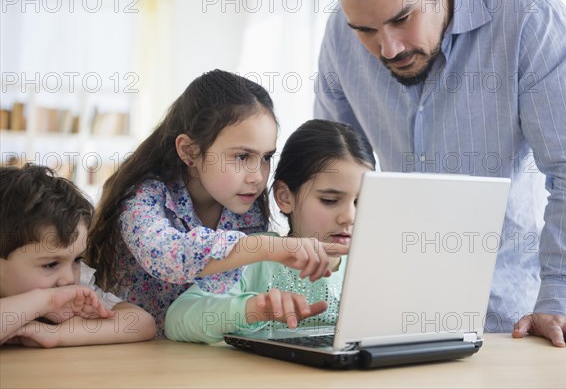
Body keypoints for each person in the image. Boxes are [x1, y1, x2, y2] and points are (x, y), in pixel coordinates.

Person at [314, 0, 566, 349]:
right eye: (366, 30)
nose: (389, 49)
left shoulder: (528, 18)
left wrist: (561, 298)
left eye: (401, 19)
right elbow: (331, 171)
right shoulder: (340, 34)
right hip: (382, 318)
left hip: (507, 322)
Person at [87, 70, 348, 337]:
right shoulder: (144, 198)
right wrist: (270, 246)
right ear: (190, 151)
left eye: (266, 157)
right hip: (131, 347)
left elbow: (223, 295)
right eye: (242, 156)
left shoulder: (246, 210)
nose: (257, 176)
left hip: (197, 351)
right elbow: (168, 257)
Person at [164, 119, 375, 343]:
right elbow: (177, 319)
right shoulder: (259, 257)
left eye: (362, 201)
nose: (349, 217)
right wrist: (253, 308)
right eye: (330, 200)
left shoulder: (372, 267)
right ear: (285, 197)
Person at [0, 164, 156, 347]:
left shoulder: (74, 285)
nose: (69, 278)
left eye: (77, 259)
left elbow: (142, 323)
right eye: (50, 264)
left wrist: (57, 334)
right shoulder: (54, 293)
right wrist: (45, 301)